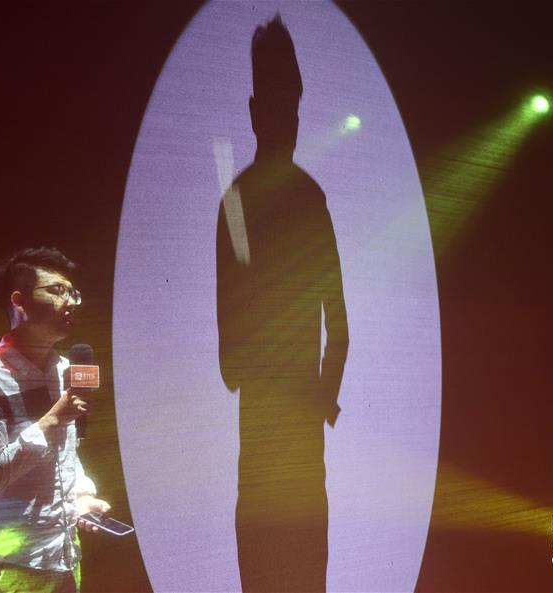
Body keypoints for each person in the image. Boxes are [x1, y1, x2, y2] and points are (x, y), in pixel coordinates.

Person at [216, 15, 349, 593]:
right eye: (280, 110)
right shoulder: (286, 200)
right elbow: (339, 328)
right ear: (255, 112)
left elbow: (230, 356)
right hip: (284, 431)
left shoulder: (246, 201)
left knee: (276, 563)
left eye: (291, 111)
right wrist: (318, 397)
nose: (287, 124)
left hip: (272, 429)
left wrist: (309, 395)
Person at [0, 247, 111, 593]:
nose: (70, 302)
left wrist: (81, 496)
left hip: (64, 552)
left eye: (73, 293)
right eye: (57, 291)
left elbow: (65, 453)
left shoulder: (64, 370)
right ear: (19, 301)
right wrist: (52, 420)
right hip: (15, 561)